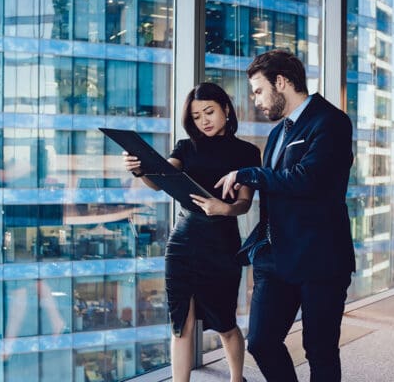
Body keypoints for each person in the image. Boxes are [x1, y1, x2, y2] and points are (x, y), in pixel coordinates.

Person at [216, 50, 356, 382]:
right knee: (261, 342)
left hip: (321, 257)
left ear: (282, 82)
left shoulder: (331, 121)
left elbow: (309, 179)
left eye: (259, 90)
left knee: (319, 350)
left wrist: (248, 174)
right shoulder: (278, 132)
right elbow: (277, 188)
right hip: (276, 257)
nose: (256, 100)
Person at [123, 82, 261, 382]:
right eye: (197, 116)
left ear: (226, 108)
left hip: (223, 243)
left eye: (209, 112)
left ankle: (238, 379)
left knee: (225, 321)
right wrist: (140, 170)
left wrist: (224, 208)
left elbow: (244, 203)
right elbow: (161, 179)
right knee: (180, 323)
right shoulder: (186, 147)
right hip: (183, 242)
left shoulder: (248, 152)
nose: (204, 121)